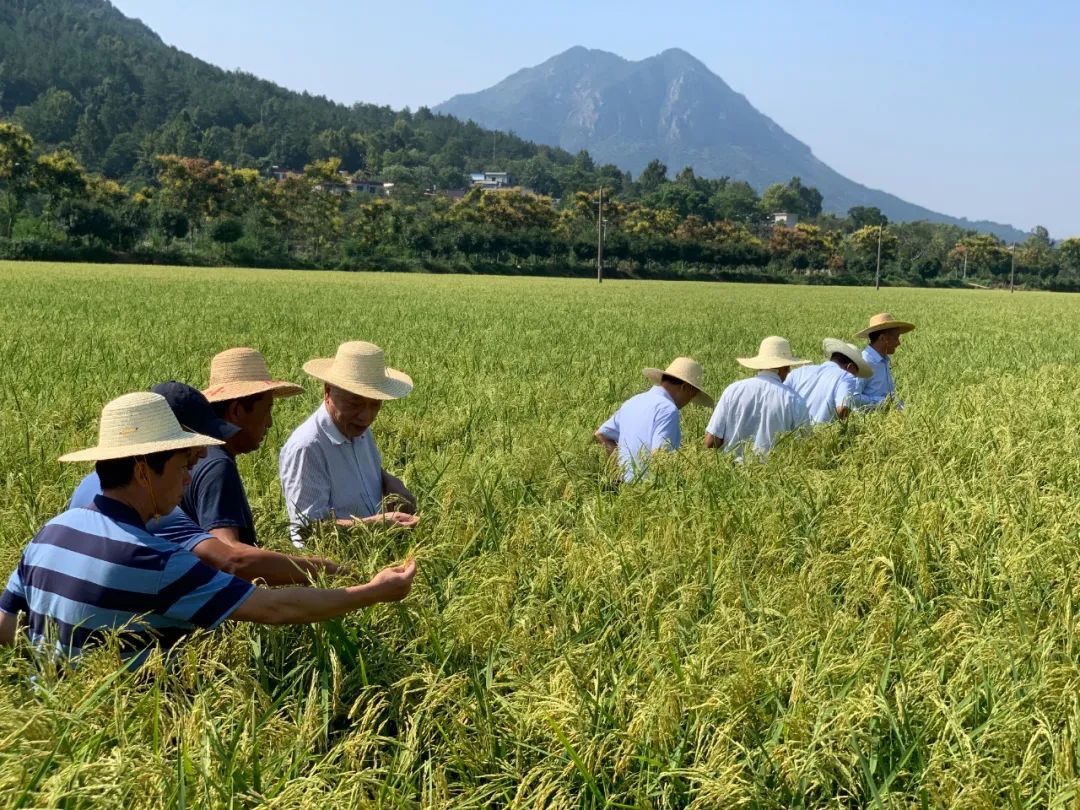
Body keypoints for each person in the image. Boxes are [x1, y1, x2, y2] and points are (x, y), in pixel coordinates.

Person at [0, 392, 416, 663]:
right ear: (143, 471)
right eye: (182, 466)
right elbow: (275, 608)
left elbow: (7, 628)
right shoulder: (157, 561)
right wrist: (372, 591)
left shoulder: (49, 533)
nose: (187, 480)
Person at [69, 382, 347, 586]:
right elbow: (232, 558)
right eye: (192, 446)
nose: (203, 453)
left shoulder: (85, 492)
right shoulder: (162, 510)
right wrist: (329, 570)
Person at [279, 341, 419, 546]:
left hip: (374, 549)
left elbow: (358, 473)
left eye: (375, 404)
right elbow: (308, 530)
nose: (366, 416)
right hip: (335, 562)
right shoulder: (308, 448)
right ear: (328, 392)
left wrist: (388, 481)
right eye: (354, 402)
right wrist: (375, 524)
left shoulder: (358, 430)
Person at [190, 347, 303, 547]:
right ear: (236, 411)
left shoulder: (199, 454)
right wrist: (317, 562)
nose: (270, 423)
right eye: (266, 410)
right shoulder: (218, 466)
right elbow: (228, 549)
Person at [594, 357, 713, 482]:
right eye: (692, 396)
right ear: (685, 388)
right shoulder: (668, 410)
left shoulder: (633, 401)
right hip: (649, 488)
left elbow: (600, 434)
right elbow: (660, 456)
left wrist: (619, 471)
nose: (689, 402)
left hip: (624, 488)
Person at [705, 336, 812, 460]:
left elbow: (711, 441)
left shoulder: (732, 390)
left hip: (730, 467)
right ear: (785, 367)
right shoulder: (794, 400)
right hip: (774, 469)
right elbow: (805, 447)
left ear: (760, 365)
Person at [785, 338, 872, 424]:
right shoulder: (846, 376)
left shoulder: (799, 371)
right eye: (854, 374)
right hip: (819, 431)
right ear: (850, 367)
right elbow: (842, 409)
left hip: (789, 429)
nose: (854, 377)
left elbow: (782, 397)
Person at [853, 312, 916, 410]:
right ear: (883, 338)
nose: (898, 343)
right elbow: (853, 398)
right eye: (896, 337)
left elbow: (888, 397)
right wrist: (882, 402)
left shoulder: (883, 361)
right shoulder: (863, 362)